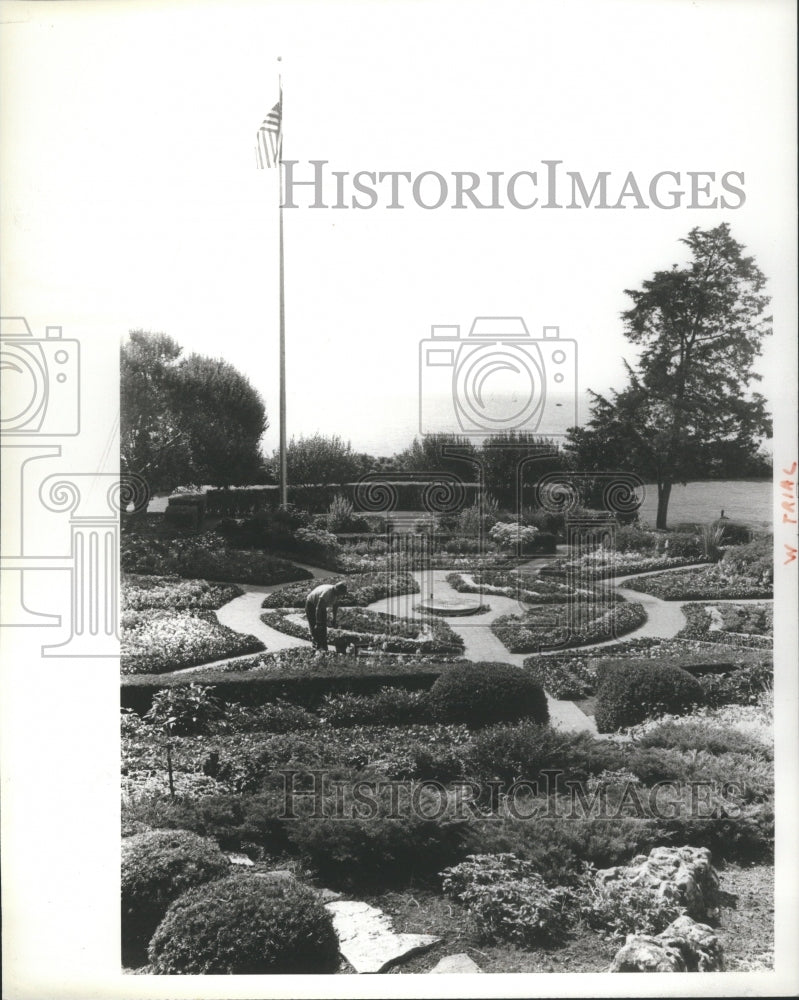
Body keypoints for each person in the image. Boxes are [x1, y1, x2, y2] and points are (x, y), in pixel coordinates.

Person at [305, 581, 347, 651]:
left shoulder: (337, 594)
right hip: (311, 604)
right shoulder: (327, 593)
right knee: (315, 626)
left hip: (321, 606)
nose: (341, 595)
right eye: (341, 593)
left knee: (323, 626)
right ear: (337, 590)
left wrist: (334, 619)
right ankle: (316, 647)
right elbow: (318, 608)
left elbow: (335, 606)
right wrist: (318, 622)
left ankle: (324, 647)